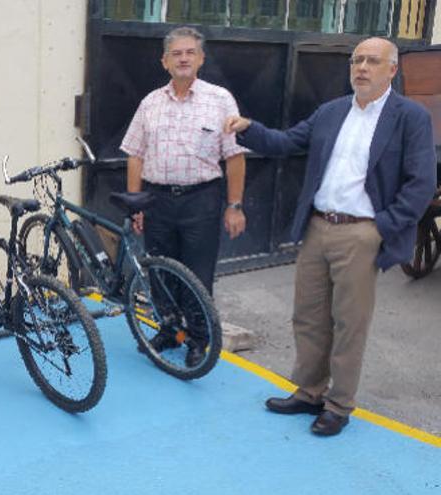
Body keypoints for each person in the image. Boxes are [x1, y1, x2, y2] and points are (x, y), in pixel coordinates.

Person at [224, 37, 437, 436]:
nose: (361, 67)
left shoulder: (410, 117)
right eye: (357, 60)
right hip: (318, 227)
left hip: (362, 233)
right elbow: (287, 142)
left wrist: (382, 227)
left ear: (392, 69)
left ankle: (339, 404)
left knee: (348, 322)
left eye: (372, 61)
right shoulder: (332, 111)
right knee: (308, 317)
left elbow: (422, 183)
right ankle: (309, 392)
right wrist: (249, 129)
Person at [120, 26, 247, 367]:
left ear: (201, 58)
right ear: (165, 61)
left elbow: (234, 156)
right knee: (160, 270)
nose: (184, 58)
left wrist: (234, 206)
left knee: (197, 273)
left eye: (190, 52)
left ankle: (198, 338)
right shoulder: (150, 103)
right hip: (157, 200)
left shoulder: (220, 100)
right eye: (176, 53)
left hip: (201, 199)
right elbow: (135, 153)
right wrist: (136, 203)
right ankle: (169, 329)